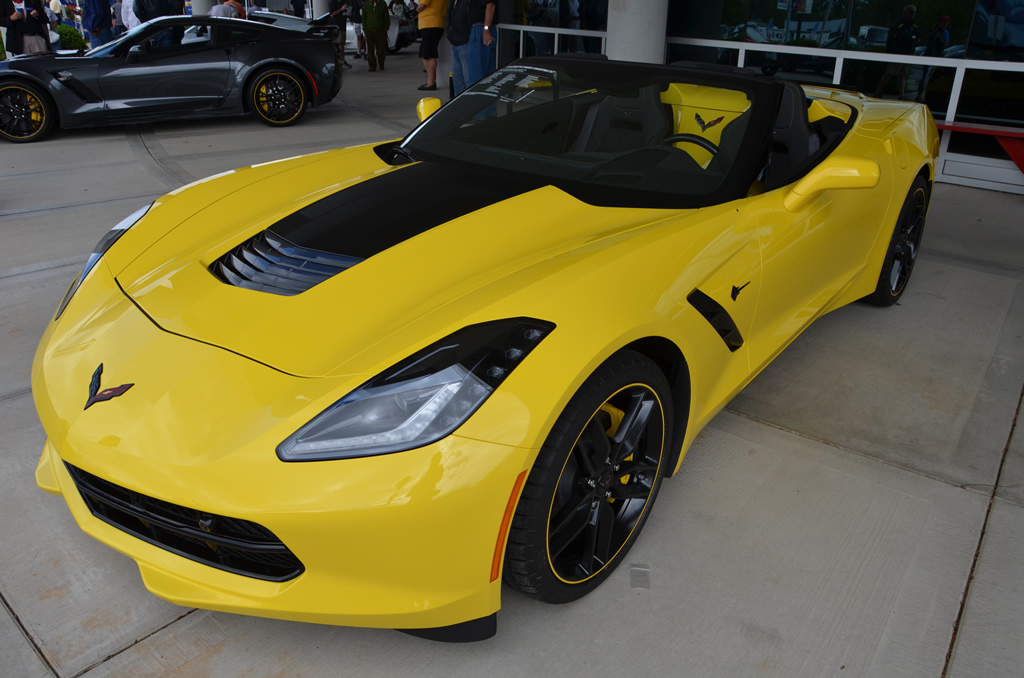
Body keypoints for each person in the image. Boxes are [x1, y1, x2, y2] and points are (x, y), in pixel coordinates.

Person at [448, 0, 496, 95]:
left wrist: (486, 29)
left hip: (477, 30)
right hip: (461, 36)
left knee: (474, 78)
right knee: (462, 77)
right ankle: (463, 105)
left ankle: (475, 106)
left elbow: (490, 5)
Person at [874, 4, 919, 99]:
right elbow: (890, 40)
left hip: (908, 55)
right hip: (898, 54)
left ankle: (901, 95)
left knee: (903, 75)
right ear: (905, 13)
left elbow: (916, 39)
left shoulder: (914, 27)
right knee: (891, 72)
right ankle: (878, 91)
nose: (913, 15)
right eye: (911, 12)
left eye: (914, 13)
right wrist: (891, 53)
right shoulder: (898, 25)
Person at [917, 14, 950, 102]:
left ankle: (924, 95)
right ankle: (920, 95)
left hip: (937, 59)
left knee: (930, 77)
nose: (945, 24)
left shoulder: (942, 33)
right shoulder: (935, 33)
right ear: (939, 23)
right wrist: (931, 57)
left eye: (946, 22)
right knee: (925, 77)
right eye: (944, 22)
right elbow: (931, 47)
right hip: (931, 58)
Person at [415, 0, 445, 90]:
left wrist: (414, 11)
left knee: (429, 55)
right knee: (425, 54)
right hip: (436, 23)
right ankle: (430, 81)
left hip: (430, 23)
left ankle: (431, 82)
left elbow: (422, 5)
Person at [361, 0, 387, 71]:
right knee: (370, 49)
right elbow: (364, 17)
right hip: (369, 30)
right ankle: (372, 66)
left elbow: (386, 16)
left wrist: (385, 28)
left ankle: (381, 64)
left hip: (380, 30)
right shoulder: (367, 4)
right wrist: (365, 27)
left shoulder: (382, 4)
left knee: (381, 49)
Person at [328, 0, 352, 68]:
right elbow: (332, 14)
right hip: (337, 25)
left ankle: (342, 60)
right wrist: (341, 9)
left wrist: (348, 13)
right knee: (340, 44)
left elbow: (344, 12)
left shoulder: (342, 1)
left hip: (343, 25)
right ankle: (341, 61)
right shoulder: (332, 2)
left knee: (342, 44)